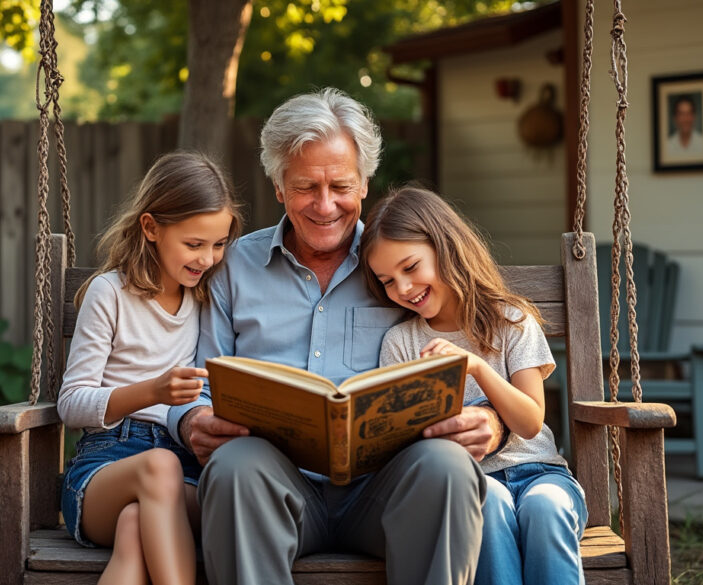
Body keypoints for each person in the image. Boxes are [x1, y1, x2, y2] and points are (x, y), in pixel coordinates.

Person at [168, 88, 501, 585]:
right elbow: (198, 381)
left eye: (340, 186)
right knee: (235, 465)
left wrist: (491, 424)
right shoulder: (233, 265)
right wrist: (193, 418)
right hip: (275, 489)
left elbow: (480, 349)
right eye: (305, 187)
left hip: (388, 490)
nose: (325, 206)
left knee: (447, 467)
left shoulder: (400, 266)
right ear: (278, 187)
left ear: (365, 183)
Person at [361, 186, 588, 585]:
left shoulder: (512, 322)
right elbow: (402, 441)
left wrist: (477, 368)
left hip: (539, 473)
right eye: (387, 281)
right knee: (489, 506)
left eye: (411, 267)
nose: (403, 288)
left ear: (445, 247)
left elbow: (532, 422)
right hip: (470, 483)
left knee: (546, 508)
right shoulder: (402, 343)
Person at [57, 151, 242, 585]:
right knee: (158, 467)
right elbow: (71, 404)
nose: (207, 259)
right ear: (151, 227)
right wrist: (152, 392)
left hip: (182, 470)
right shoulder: (110, 294)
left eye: (218, 245)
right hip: (105, 467)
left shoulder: (207, 297)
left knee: (135, 525)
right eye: (194, 244)